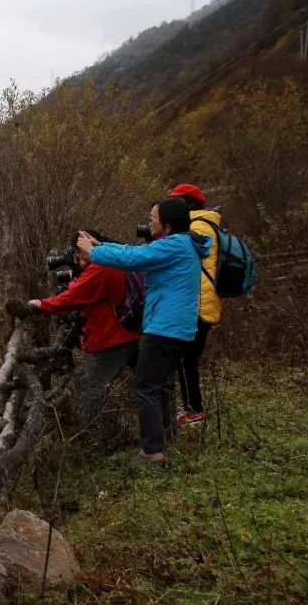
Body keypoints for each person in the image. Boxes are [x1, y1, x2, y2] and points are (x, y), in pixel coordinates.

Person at [77, 198, 210, 466]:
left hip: (164, 327)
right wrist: (102, 246)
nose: (149, 221)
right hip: (176, 328)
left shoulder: (174, 245)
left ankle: (152, 451)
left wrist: (93, 254)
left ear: (168, 224)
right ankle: (163, 440)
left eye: (153, 217)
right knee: (157, 384)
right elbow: (133, 252)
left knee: (144, 386)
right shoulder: (181, 245)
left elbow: (135, 259)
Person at [8, 231, 140, 434]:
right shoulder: (109, 262)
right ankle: (138, 428)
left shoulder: (101, 268)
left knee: (92, 387)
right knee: (146, 382)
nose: (80, 259)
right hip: (124, 333)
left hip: (111, 337)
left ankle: (90, 437)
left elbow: (72, 297)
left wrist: (40, 305)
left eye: (81, 253)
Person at [168, 183, 221, 426]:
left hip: (198, 302)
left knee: (185, 357)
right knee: (186, 356)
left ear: (188, 204)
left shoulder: (198, 226)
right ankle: (192, 406)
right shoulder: (203, 224)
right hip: (202, 301)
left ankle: (194, 410)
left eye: (176, 201)